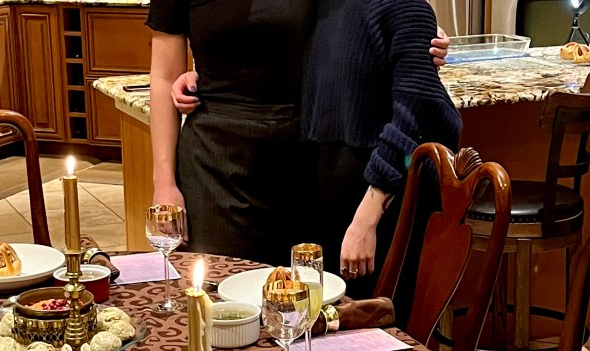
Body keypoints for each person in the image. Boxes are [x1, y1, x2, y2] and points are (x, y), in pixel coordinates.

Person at [147, 1, 450, 265]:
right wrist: (164, 183)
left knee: (300, 304)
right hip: (214, 158)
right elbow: (163, 75)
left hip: (304, 158)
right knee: (221, 299)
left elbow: (349, 24)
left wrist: (415, 33)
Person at [304, 0, 462, 297]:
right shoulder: (323, 9)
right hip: (333, 195)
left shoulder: (405, 5)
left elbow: (415, 117)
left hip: (380, 201)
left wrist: (367, 218)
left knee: (382, 333)